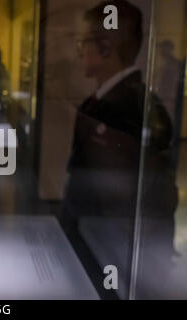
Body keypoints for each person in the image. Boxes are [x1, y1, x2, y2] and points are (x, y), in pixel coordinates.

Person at [62, 0, 177, 295]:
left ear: (104, 47)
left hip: (113, 249)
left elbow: (135, 199)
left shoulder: (127, 107)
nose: (78, 51)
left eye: (83, 42)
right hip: (98, 238)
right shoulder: (104, 103)